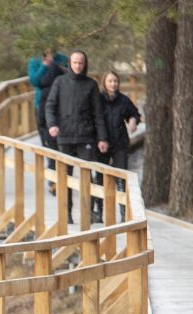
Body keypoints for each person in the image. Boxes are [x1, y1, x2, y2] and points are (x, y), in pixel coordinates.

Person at [44, 50, 109, 224]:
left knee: (86, 177)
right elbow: (50, 106)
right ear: (70, 64)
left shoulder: (91, 85)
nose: (78, 66)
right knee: (65, 178)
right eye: (75, 63)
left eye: (81, 63)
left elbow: (98, 114)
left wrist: (102, 138)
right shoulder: (60, 82)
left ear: (85, 64)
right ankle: (67, 216)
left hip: (86, 138)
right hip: (64, 137)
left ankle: (88, 214)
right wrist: (52, 125)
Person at [94, 70, 141, 221]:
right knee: (100, 177)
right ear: (104, 83)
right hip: (102, 143)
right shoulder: (98, 99)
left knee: (121, 177)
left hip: (120, 142)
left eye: (115, 81)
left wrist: (133, 120)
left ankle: (123, 215)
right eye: (110, 81)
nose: (113, 84)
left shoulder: (123, 100)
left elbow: (134, 113)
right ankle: (99, 213)